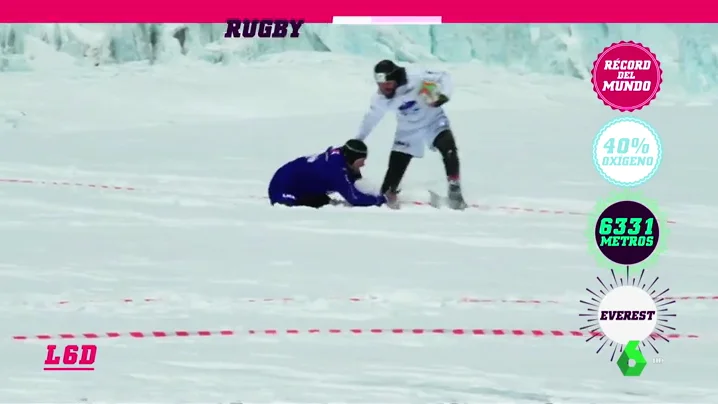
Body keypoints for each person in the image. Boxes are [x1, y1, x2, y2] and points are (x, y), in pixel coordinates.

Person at [354, 59, 467, 210]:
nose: (384, 88)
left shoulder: (416, 76)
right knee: (392, 175)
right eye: (380, 84)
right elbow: (371, 119)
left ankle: (455, 192)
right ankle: (389, 195)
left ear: (396, 78)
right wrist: (358, 140)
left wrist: (444, 96)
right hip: (407, 130)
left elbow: (444, 76)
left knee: (449, 149)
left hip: (433, 120)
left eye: (387, 83)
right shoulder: (380, 98)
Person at [268, 139, 397, 209]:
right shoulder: (336, 170)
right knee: (293, 210)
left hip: (293, 179)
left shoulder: (341, 155)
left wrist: (377, 192)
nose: (363, 165)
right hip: (282, 188)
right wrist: (383, 199)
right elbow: (355, 198)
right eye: (361, 162)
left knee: (323, 201)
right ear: (352, 159)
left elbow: (353, 183)